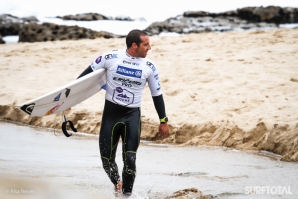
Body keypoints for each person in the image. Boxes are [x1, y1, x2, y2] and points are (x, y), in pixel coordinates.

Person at [77, 29, 169, 196]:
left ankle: (127, 195)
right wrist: (68, 100)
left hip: (132, 116)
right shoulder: (110, 58)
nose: (150, 47)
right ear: (134, 45)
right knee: (106, 160)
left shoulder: (149, 66)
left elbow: (157, 95)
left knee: (130, 160)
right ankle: (117, 183)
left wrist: (163, 120)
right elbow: (85, 76)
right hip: (111, 115)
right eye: (146, 44)